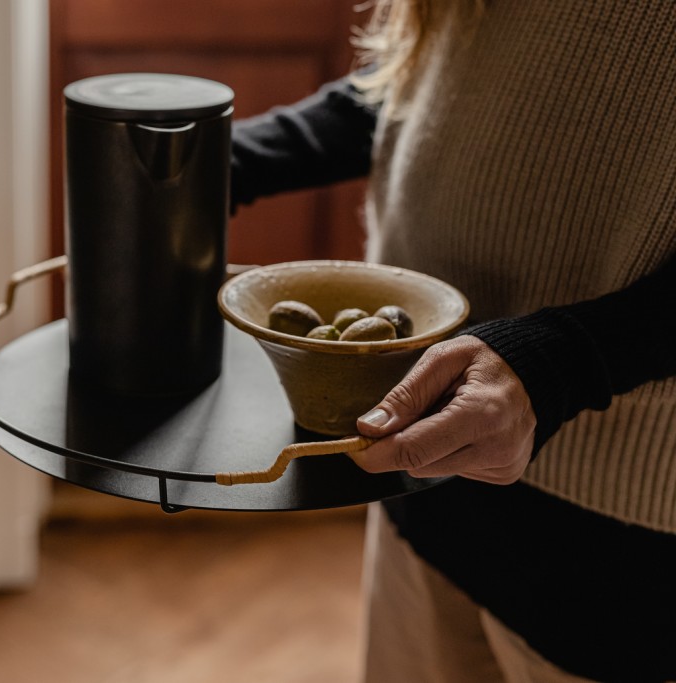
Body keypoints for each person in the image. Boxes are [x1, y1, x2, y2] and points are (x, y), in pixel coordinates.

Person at [229, 1, 676, 681]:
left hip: (620, 544)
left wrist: (567, 359)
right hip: (422, 473)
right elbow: (435, 75)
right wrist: (246, 157)